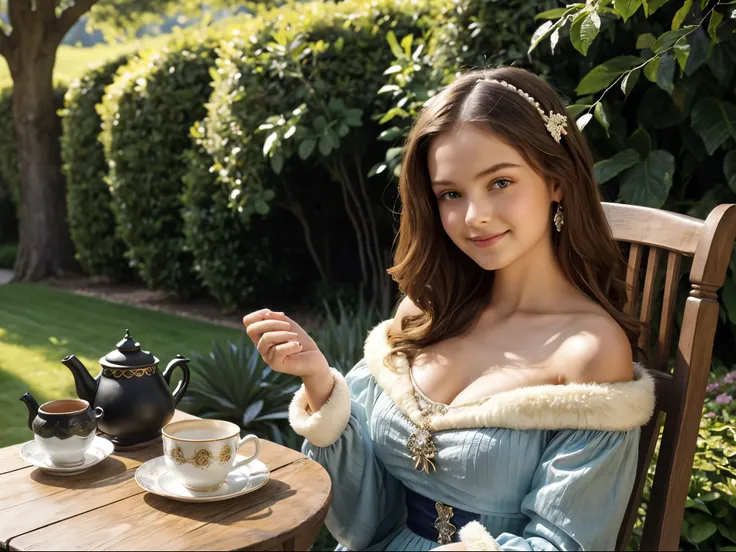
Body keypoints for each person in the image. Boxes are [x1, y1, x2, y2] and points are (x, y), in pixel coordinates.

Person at [242, 66, 656, 551]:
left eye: (500, 182)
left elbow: (566, 543)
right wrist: (318, 381)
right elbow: (364, 512)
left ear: (556, 180)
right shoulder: (427, 313)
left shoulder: (589, 351)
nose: (474, 216)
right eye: (451, 194)